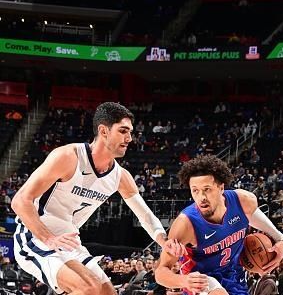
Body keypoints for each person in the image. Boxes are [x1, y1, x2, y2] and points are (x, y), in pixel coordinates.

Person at [11, 102, 185, 295]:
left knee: (106, 292)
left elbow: (145, 215)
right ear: (103, 131)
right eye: (123, 131)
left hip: (68, 239)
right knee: (87, 289)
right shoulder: (68, 157)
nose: (129, 138)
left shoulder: (120, 176)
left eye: (130, 132)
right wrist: (48, 237)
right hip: (36, 234)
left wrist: (164, 241)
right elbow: (20, 200)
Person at [155, 155, 283, 295]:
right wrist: (184, 281)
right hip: (202, 282)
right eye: (195, 190)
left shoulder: (244, 201)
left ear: (221, 187)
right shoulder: (185, 224)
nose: (202, 197)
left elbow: (252, 215)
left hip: (234, 278)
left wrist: (281, 239)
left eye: (207, 189)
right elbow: (161, 272)